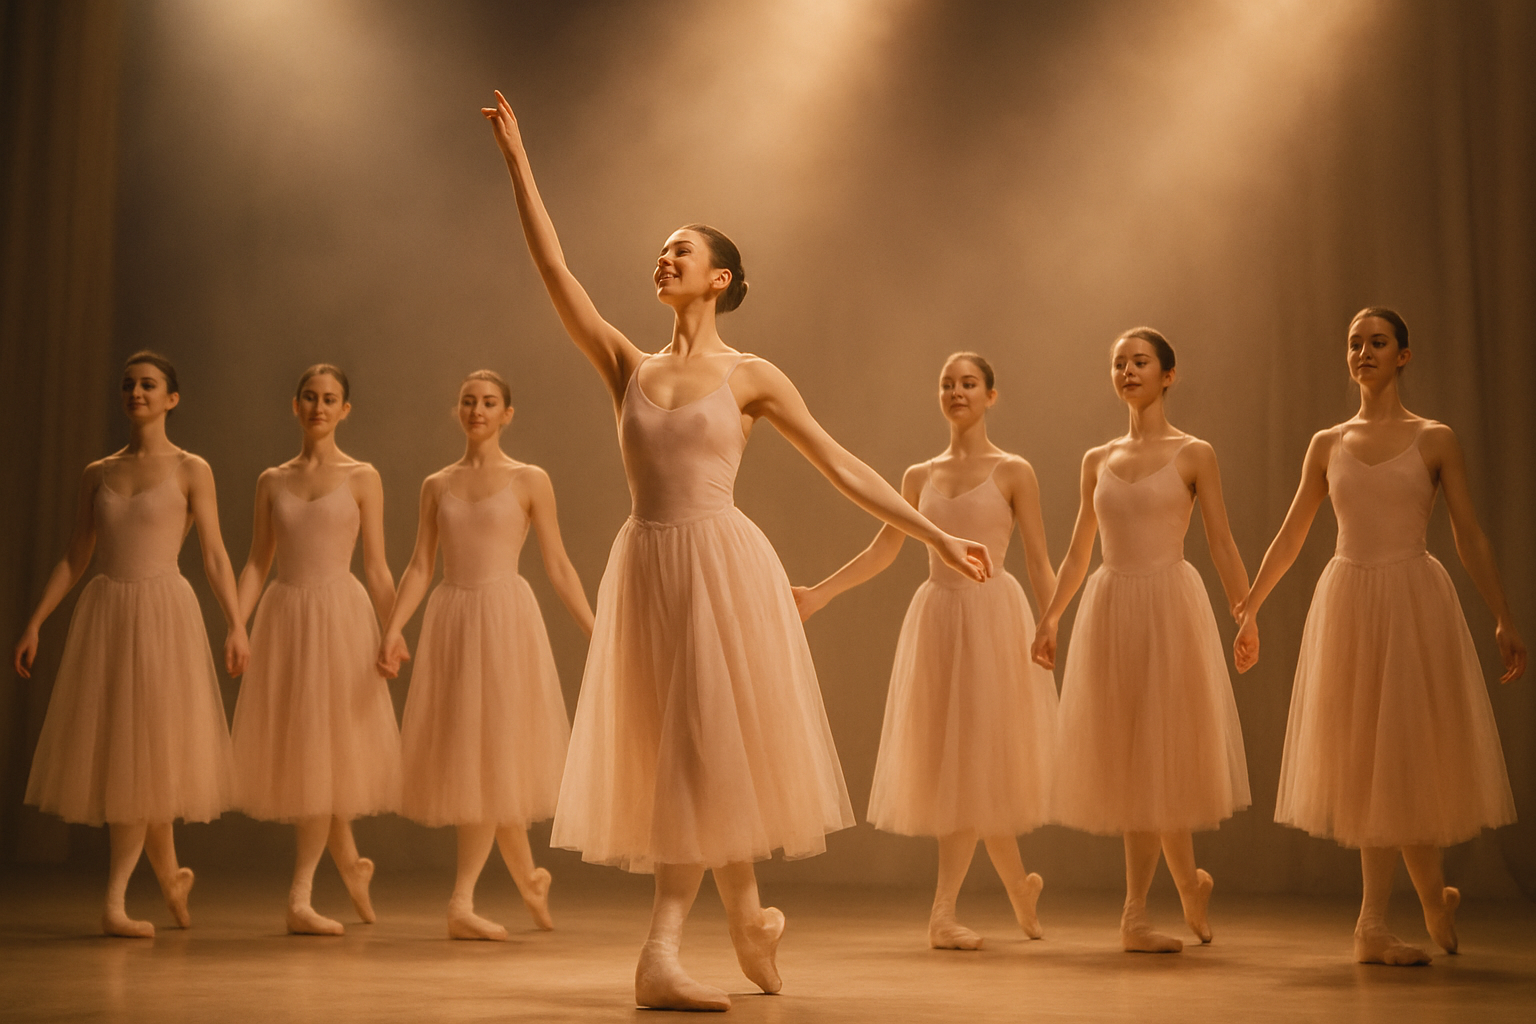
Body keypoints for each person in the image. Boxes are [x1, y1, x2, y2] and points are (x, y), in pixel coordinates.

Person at [484, 89, 992, 1010]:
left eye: (684, 249)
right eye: (663, 248)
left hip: (724, 571)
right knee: (691, 751)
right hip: (650, 566)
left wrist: (936, 533)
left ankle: (662, 952)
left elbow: (843, 466)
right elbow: (556, 271)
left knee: (702, 749)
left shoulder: (751, 376)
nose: (665, 256)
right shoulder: (626, 366)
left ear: (720, 278)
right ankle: (750, 917)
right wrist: (520, 166)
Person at [1234, 308, 1525, 966]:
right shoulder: (1326, 443)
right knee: (1372, 761)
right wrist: (1251, 603)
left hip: (1414, 602)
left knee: (1407, 757)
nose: (1363, 352)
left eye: (1377, 343)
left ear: (1404, 356)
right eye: (1355, 344)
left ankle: (1423, 902)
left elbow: (1469, 534)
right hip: (1350, 604)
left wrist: (1503, 614)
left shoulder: (1435, 439)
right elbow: (1293, 533)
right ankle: (1380, 920)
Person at [793, 351, 1057, 950]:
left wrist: (1052, 621)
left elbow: (1039, 558)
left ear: (992, 395)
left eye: (969, 383)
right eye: (947, 383)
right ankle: (1018, 887)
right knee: (962, 766)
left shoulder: (1015, 471)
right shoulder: (918, 476)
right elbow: (885, 549)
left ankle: (943, 912)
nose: (957, 391)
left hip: (995, 623)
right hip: (939, 622)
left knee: (976, 763)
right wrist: (822, 593)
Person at [1032, 328, 1250, 953]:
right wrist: (1050, 618)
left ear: (1168, 375)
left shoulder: (1194, 454)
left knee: (1164, 752)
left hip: (1169, 608)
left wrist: (1246, 610)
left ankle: (1141, 910)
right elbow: (1078, 550)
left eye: (1141, 361)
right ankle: (1178, 893)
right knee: (1135, 760)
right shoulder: (1097, 459)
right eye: (1119, 363)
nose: (1128, 371)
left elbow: (1222, 542)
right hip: (1110, 606)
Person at [15, 351, 247, 938]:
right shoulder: (98, 472)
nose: (136, 393)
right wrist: (35, 621)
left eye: (148, 385)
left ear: (172, 398)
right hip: (109, 616)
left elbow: (216, 555)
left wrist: (237, 623)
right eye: (128, 385)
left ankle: (116, 900)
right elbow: (76, 554)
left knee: (150, 754)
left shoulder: (193, 469)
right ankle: (169, 879)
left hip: (164, 615)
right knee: (135, 758)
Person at [378, 369, 594, 941]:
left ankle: (463, 901)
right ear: (459, 411)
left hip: (506, 623)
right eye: (469, 401)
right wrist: (394, 628)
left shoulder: (530, 481)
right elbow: (420, 565)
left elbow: (560, 566)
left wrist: (596, 630)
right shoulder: (436, 484)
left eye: (489, 402)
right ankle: (527, 882)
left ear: (507, 414)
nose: (478, 410)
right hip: (453, 621)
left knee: (493, 754)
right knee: (477, 758)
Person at [229, 364, 401, 935]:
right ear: (295, 405)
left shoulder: (362, 477)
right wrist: (236, 622)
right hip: (286, 619)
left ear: (344, 409)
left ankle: (300, 896)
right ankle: (349, 864)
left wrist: (393, 626)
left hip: (342, 622)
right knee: (309, 753)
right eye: (309, 397)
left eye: (330, 399)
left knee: (329, 751)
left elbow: (376, 566)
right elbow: (257, 562)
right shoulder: (272, 480)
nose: (319, 407)